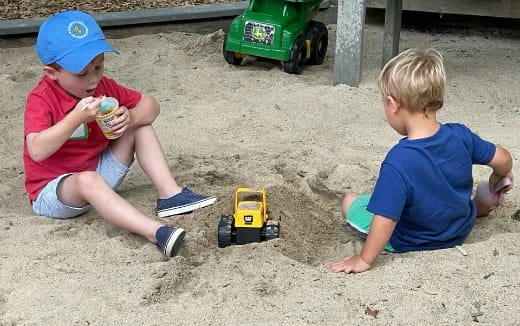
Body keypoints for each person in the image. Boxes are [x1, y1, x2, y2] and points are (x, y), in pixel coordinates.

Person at [23, 10, 216, 258]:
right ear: (52, 72)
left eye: (99, 66)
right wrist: (75, 118)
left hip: (97, 173)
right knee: (86, 181)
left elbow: (151, 106)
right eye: (82, 74)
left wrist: (130, 117)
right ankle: (156, 232)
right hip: (54, 192)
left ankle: (171, 195)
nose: (93, 79)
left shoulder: (104, 87)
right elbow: (37, 150)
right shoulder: (42, 98)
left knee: (140, 126)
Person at [330, 48, 513, 274]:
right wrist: (498, 175)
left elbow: (386, 219)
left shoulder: (398, 161)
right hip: (458, 230)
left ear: (392, 104)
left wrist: (365, 260)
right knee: (444, 192)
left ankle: (480, 203)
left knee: (350, 201)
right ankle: (481, 204)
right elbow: (503, 158)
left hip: (411, 239)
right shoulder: (461, 135)